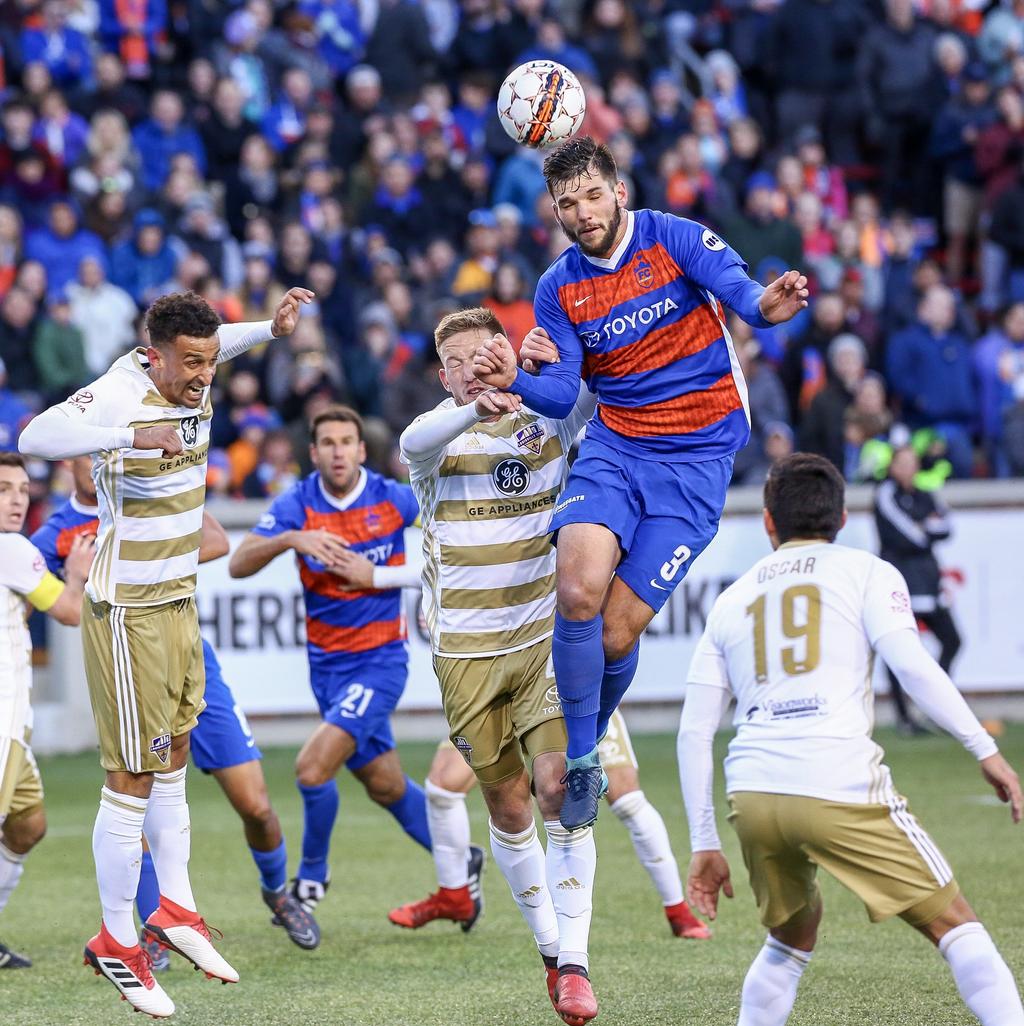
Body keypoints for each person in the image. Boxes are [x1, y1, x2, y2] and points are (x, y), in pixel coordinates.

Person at [472, 136, 808, 831]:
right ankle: (585, 757)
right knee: (576, 590)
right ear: (556, 212)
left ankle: (587, 726)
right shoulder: (558, 286)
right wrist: (517, 382)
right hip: (618, 446)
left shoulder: (674, 237)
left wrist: (769, 307)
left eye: (593, 194)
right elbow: (563, 396)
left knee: (616, 637)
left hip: (697, 461)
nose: (583, 211)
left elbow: (746, 298)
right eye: (568, 203)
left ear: (618, 191)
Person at [18, 286, 313, 1017]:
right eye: (189, 364)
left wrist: (267, 331)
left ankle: (175, 909)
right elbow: (33, 440)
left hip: (179, 600)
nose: (202, 377)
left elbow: (221, 344)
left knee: (175, 754)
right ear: (153, 355)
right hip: (129, 613)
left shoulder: (198, 359)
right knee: (132, 777)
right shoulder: (119, 392)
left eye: (210, 362)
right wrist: (128, 439)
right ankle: (118, 940)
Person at [677, 453, 1024, 1026]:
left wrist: (704, 841)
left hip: (755, 793)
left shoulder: (731, 599)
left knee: (791, 937)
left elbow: (694, 730)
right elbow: (913, 668)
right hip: (837, 780)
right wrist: (984, 750)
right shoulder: (867, 570)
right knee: (958, 926)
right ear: (841, 519)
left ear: (769, 522)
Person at [385, 307, 612, 1026]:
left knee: (563, 791)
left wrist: (555, 359)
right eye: (461, 360)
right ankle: (551, 952)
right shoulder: (435, 443)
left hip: (545, 640)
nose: (477, 365)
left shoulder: (547, 421)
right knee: (508, 807)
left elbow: (600, 388)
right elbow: (411, 439)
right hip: (466, 655)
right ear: (443, 374)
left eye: (489, 351)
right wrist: (471, 404)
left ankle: (575, 964)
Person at [30, 457, 320, 959]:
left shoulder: (149, 489)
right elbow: (65, 608)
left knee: (255, 804)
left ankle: (278, 892)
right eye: (86, 453)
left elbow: (216, 542)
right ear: (71, 459)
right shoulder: (55, 535)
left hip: (189, 662)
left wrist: (120, 560)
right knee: (136, 805)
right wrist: (79, 577)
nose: (97, 460)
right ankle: (155, 926)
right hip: (126, 674)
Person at [228, 406, 441, 926]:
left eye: (348, 441)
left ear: (362, 450)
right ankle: (460, 861)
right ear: (314, 451)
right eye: (328, 442)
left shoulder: (392, 498)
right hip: (327, 669)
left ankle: (312, 878)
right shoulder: (298, 504)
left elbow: (454, 543)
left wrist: (392, 578)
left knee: (310, 768)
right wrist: (290, 539)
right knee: (386, 784)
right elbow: (236, 564)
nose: (339, 451)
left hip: (381, 661)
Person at [383, 712, 710, 942]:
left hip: (561, 688)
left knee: (625, 799)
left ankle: (678, 910)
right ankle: (454, 895)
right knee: (442, 787)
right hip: (499, 686)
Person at [0, 452, 94, 969]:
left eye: (21, 489)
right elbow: (71, 612)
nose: (16, 500)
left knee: (28, 823)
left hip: (16, 726)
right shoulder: (12, 548)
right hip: (2, 725)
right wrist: (77, 572)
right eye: (3, 490)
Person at [874, 446, 963, 735]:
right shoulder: (886, 493)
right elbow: (907, 535)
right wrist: (925, 529)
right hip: (901, 582)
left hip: (929, 580)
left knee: (953, 640)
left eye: (912, 462)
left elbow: (947, 527)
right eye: (901, 463)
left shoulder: (925, 494)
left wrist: (925, 529)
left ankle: (934, 708)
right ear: (892, 467)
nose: (907, 468)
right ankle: (904, 718)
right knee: (898, 651)